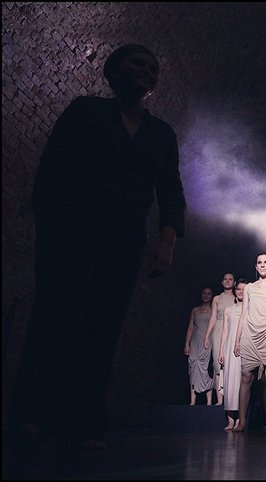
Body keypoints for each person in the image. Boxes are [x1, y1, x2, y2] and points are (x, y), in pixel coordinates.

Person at [13, 43, 186, 449]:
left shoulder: (161, 134)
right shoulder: (86, 111)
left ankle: (83, 423)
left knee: (103, 328)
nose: (146, 69)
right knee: (56, 318)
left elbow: (170, 193)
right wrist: (50, 226)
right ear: (113, 71)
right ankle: (32, 415)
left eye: (152, 67)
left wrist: (166, 243)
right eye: (137, 62)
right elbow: (52, 170)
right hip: (70, 234)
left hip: (122, 243)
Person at [233, 253, 266, 432]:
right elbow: (244, 314)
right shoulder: (249, 287)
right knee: (246, 377)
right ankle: (242, 422)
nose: (263, 265)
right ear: (256, 267)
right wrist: (237, 340)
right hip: (250, 334)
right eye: (259, 263)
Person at [203, 272, 236, 406]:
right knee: (218, 364)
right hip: (218, 330)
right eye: (225, 279)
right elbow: (213, 317)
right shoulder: (217, 298)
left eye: (230, 279)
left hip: (231, 329)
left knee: (230, 364)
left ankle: (229, 398)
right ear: (222, 282)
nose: (227, 281)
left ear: (234, 282)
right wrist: (207, 336)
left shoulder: (236, 298)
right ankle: (219, 400)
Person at [218, 279, 247, 430]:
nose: (241, 292)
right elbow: (225, 331)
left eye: (244, 290)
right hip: (230, 347)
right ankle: (230, 420)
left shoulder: (250, 309)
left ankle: (240, 419)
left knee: (242, 381)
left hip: (245, 346)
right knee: (230, 381)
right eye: (239, 289)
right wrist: (221, 350)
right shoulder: (228, 310)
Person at [184, 288, 215, 406]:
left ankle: (209, 401)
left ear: (211, 296)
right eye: (204, 293)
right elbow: (190, 328)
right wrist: (187, 344)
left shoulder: (213, 309)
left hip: (207, 342)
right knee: (193, 368)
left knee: (205, 369)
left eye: (208, 294)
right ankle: (192, 400)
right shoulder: (195, 310)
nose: (206, 295)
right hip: (195, 342)